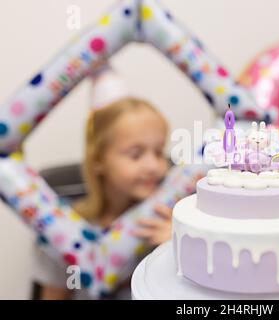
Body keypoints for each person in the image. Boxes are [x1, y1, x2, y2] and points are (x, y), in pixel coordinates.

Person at [31, 66, 174, 299]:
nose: (153, 166)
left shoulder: (168, 225)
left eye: (158, 152)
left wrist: (178, 250)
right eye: (136, 154)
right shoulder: (66, 229)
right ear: (98, 160)